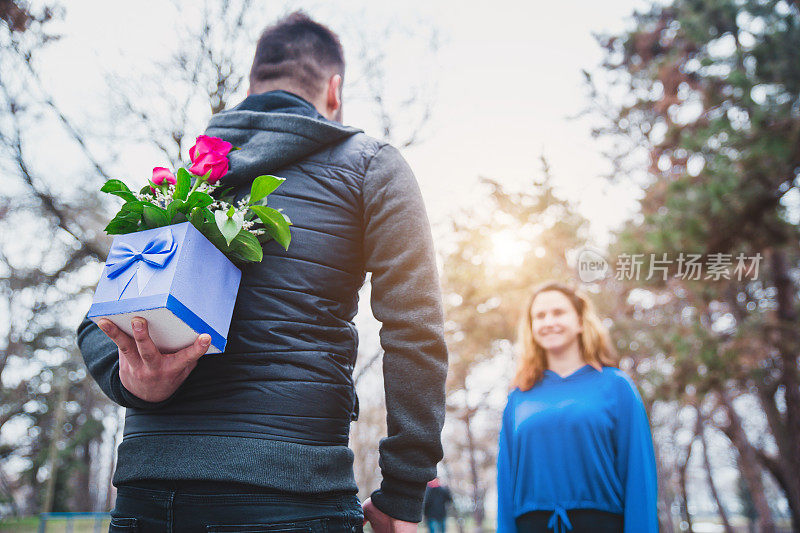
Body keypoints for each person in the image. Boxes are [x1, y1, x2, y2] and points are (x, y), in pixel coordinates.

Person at [77, 12, 447, 533]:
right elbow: (416, 331)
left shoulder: (181, 181)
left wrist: (134, 381)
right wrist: (404, 494)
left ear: (253, 84)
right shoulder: (371, 164)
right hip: (291, 492)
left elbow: (98, 318)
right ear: (334, 90)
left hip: (147, 493)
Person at [496, 281, 658, 533]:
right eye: (539, 316)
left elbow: (639, 475)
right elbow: (506, 483)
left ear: (580, 322)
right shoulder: (519, 397)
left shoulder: (616, 386)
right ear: (531, 327)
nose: (549, 321)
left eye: (558, 312)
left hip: (602, 525)